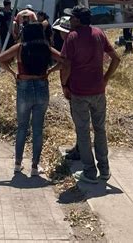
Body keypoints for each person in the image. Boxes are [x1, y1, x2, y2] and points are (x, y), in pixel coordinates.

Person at [61, 6, 121, 184]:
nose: (70, 20)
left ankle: (89, 172)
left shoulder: (72, 37)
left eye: (72, 18)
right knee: (100, 129)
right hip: (98, 91)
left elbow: (66, 66)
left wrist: (65, 85)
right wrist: (105, 79)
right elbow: (116, 59)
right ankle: (104, 169)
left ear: (78, 20)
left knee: (83, 132)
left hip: (79, 91)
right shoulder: (99, 33)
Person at [0, 22, 64, 176]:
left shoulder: (20, 48)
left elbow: (0, 59)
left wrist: (13, 73)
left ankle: (17, 164)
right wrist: (50, 70)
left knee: (22, 127)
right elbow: (65, 61)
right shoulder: (46, 48)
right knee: (38, 129)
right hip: (42, 86)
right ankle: (34, 166)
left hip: (24, 86)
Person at [52, 16, 80, 160]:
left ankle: (80, 150)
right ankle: (78, 147)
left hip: (73, 85)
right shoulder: (75, 41)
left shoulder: (68, 42)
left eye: (60, 31)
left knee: (78, 118)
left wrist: (64, 84)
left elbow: (66, 65)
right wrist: (51, 70)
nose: (59, 34)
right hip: (80, 84)